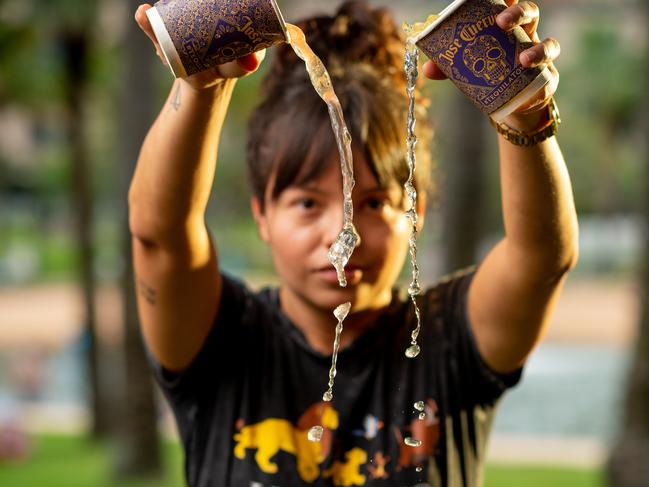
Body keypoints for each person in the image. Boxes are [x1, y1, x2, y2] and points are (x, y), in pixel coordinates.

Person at [131, 1, 578, 486]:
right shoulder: (220, 338)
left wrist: (523, 116)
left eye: (371, 203)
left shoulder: (448, 341)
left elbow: (541, 259)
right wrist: (203, 84)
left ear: (415, 212)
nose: (342, 232)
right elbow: (162, 236)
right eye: (307, 204)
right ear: (262, 214)